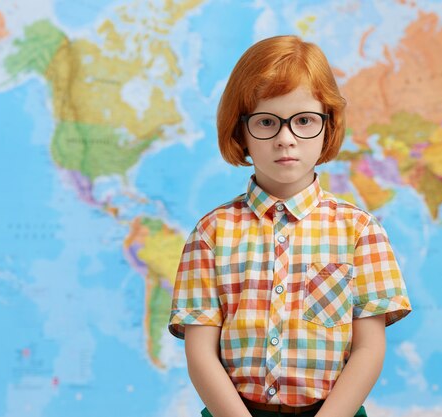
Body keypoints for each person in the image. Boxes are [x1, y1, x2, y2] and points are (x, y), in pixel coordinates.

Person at [168, 35, 411, 417]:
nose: (286, 139)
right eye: (266, 121)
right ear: (240, 132)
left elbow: (369, 348)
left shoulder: (360, 231)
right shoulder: (211, 234)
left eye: (303, 121)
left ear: (327, 127)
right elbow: (200, 352)